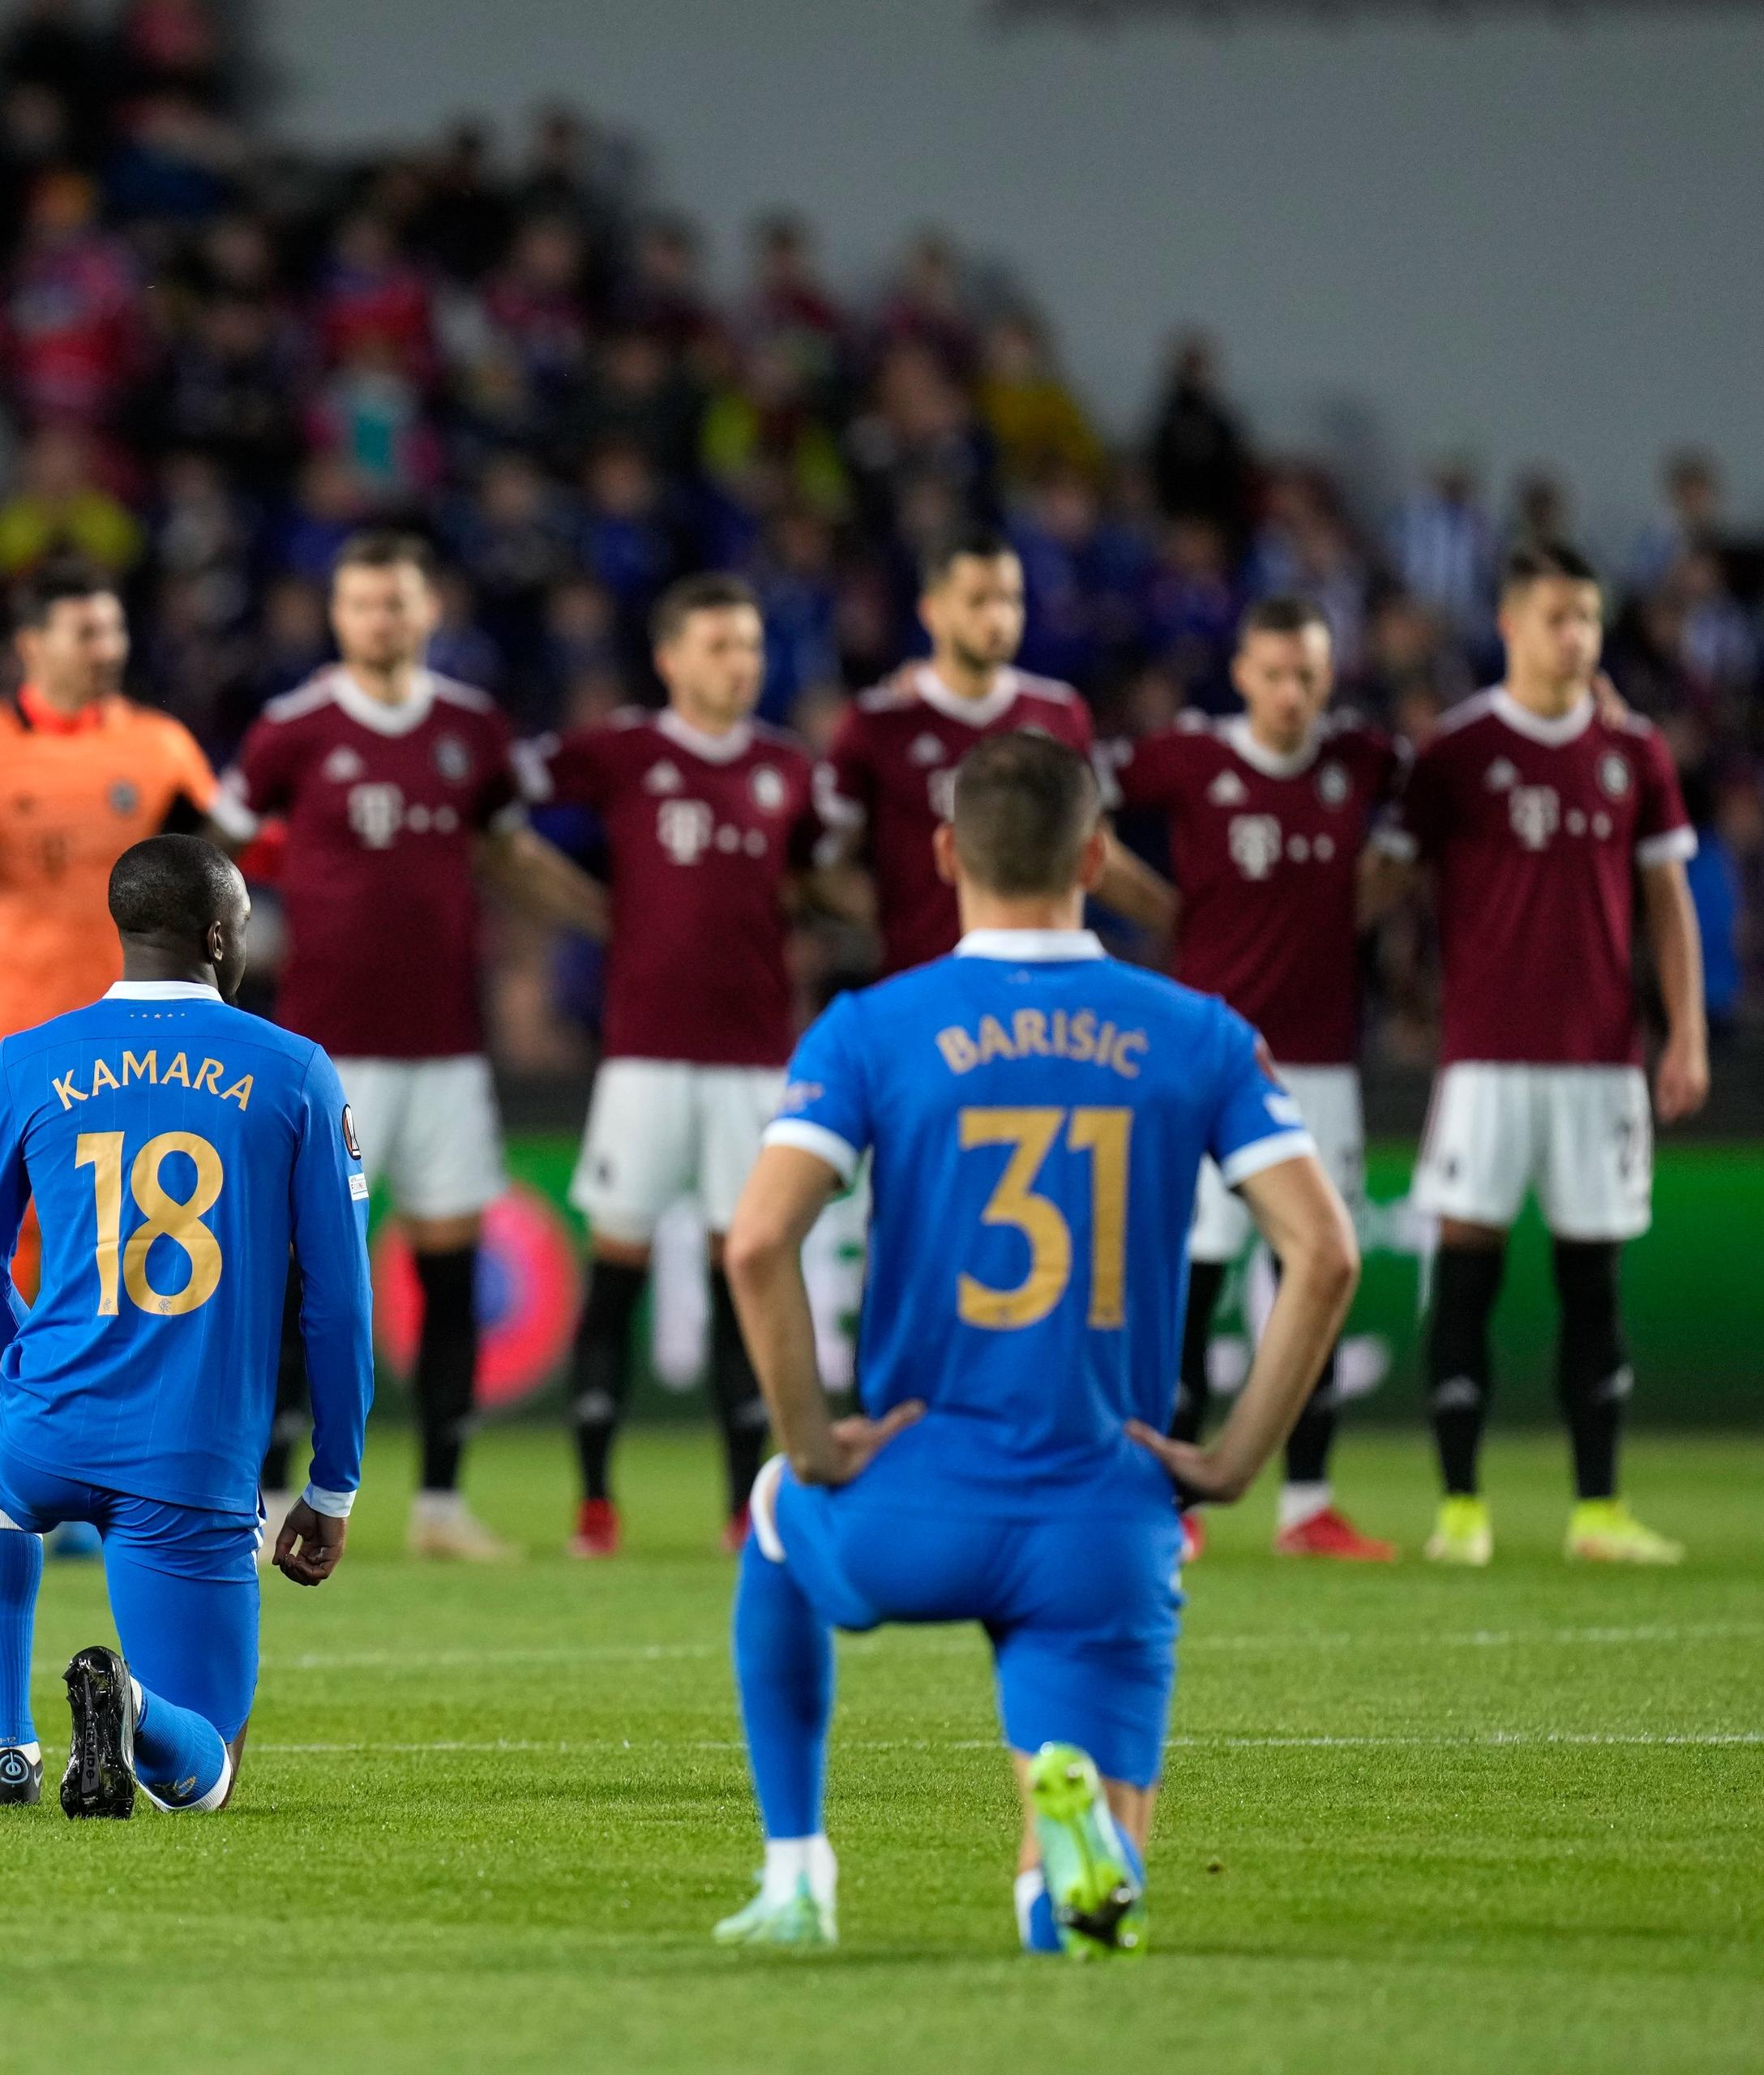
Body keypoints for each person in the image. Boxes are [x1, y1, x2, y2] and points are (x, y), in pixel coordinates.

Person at [712, 730, 1359, 1953]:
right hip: (1106, 1504)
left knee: (778, 1518)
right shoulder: (1201, 1033)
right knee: (1088, 1884)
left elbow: (756, 1244)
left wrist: (815, 1443)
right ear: (1101, 856)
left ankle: (798, 1876)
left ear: (948, 852)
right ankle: (1062, 1862)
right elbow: (1324, 1255)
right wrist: (1226, 1466)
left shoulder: (871, 1027)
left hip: (916, 1493)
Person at [0, 835, 372, 1816]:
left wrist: (30, 1358)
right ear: (220, 935)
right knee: (204, 1775)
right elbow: (339, 1306)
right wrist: (331, 1486)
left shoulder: (25, 1061)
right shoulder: (295, 1071)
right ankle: (129, 1702)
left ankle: (10, 1741)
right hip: (189, 1462)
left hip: (46, 1427)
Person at [224, 530, 606, 1560]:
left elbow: (507, 853)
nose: (382, 620)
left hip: (444, 1047)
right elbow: (222, 847)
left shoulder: (471, 732)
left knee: (449, 1273)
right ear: (337, 617)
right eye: (363, 604)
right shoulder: (291, 732)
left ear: (428, 611)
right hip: (324, 1051)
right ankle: (264, 1495)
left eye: (398, 602)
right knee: (300, 1276)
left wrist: (609, 920)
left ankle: (439, 1503)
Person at [1371, 539, 1706, 1566]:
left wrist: (1684, 1029)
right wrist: (1401, 993)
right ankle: (1460, 1507)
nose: (1578, 638)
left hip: (1601, 1058)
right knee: (1466, 1274)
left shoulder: (1633, 751)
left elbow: (1666, 898)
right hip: (1486, 1058)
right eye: (1559, 618)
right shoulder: (1458, 753)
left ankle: (1597, 1511)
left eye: (1591, 619)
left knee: (1592, 1282)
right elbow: (1389, 890)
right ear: (1512, 625)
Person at [1098, 597, 1402, 1563]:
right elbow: (1072, 794)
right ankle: (1169, 1500)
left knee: (1309, 1281)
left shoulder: (1358, 760)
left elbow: (1450, 793)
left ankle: (1306, 1503)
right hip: (1205, 1064)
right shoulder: (1187, 758)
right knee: (1193, 1282)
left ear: (1329, 675)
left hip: (1321, 1066)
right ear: (1241, 674)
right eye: (1274, 674)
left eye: (1309, 674)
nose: (1291, 693)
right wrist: (1159, 911)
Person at [0, 561, 253, 1437]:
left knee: (147, 1246)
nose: (109, 649)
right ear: (31, 644)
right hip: (17, 1034)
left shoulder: (160, 748)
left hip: (146, 1037)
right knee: (5, 1244)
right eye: (87, 632)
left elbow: (221, 872)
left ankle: (125, 1457)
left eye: (115, 630)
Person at [541, 573, 822, 1557]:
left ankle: (743, 1504)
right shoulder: (622, 753)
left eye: (748, 645)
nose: (738, 663)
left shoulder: (790, 770)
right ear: (669, 658)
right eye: (716, 645)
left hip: (752, 1061)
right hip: (645, 1060)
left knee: (741, 1271)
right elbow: (510, 810)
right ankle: (594, 1502)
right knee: (616, 1271)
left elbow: (821, 879)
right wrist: (595, 915)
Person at [816, 523, 1175, 972]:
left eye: (1010, 599)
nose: (998, 617)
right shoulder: (878, 723)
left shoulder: (1060, 713)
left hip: (1041, 991)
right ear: (932, 611)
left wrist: (1179, 918)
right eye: (978, 601)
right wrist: (894, 924)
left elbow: (1098, 850)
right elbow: (826, 865)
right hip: (927, 987)